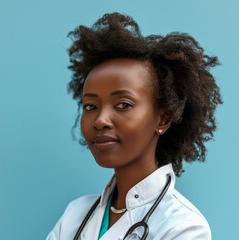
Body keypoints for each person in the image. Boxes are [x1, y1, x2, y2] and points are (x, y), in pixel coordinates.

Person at [47, 12, 222, 240]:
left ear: (163, 119)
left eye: (123, 104)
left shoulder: (183, 227)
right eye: (90, 106)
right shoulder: (75, 214)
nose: (100, 120)